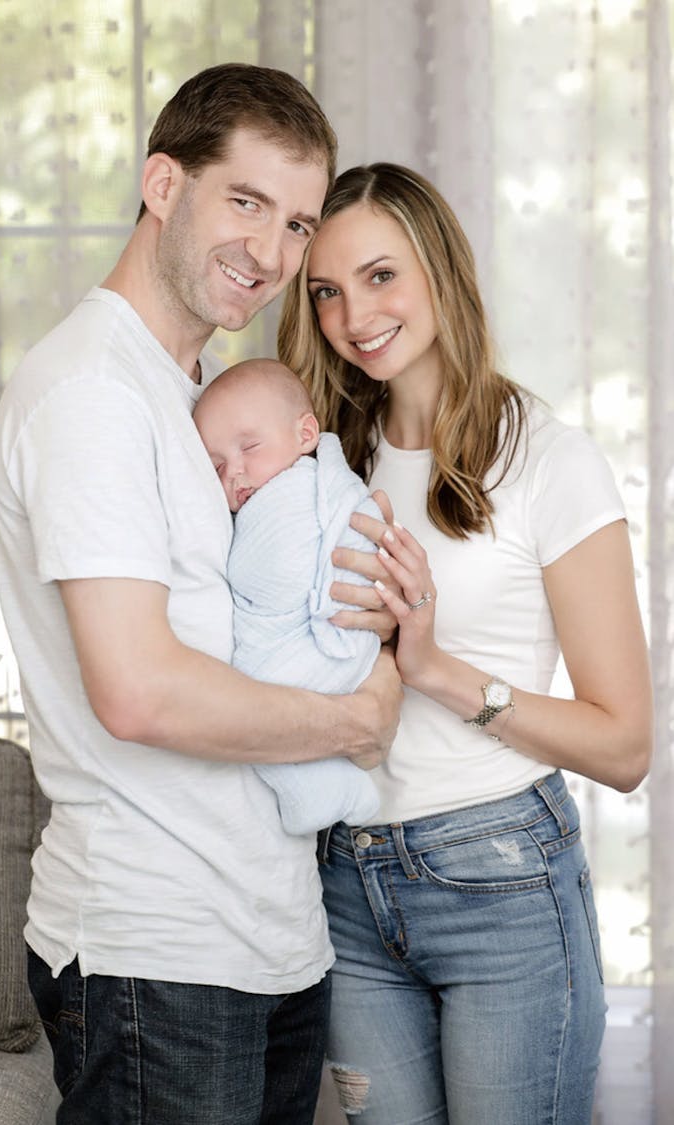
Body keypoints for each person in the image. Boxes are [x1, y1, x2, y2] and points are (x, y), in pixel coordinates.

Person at [0, 67, 402, 1125]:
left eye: (297, 221)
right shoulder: (93, 393)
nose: (269, 254)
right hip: (155, 955)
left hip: (266, 937)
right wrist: (355, 717)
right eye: (245, 202)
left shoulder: (201, 403)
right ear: (163, 183)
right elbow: (141, 693)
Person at [278, 162, 654, 1124]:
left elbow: (624, 746)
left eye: (380, 276)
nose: (353, 315)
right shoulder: (320, 464)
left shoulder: (546, 459)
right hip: (347, 888)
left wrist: (436, 668)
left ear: (441, 271)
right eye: (326, 289)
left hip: (503, 886)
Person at [193, 357, 382, 834]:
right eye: (216, 465)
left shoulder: (297, 492)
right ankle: (327, 789)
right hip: (325, 657)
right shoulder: (275, 496)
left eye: (249, 447)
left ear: (305, 435)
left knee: (251, 693)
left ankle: (320, 793)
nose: (234, 474)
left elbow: (269, 576)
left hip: (315, 647)